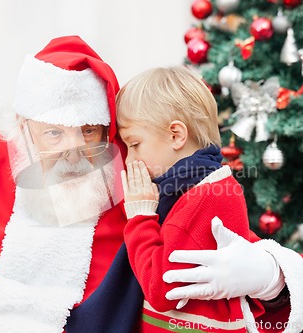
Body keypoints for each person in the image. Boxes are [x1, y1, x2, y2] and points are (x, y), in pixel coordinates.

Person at [0, 36, 303, 333]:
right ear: (22, 128)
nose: (74, 151)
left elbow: (233, 252)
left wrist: (269, 278)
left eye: (89, 132)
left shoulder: (138, 176)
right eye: (54, 134)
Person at [117, 65, 282, 332]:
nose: (129, 159)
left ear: (176, 135)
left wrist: (139, 217)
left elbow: (161, 289)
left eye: (134, 144)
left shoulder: (203, 196)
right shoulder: (194, 186)